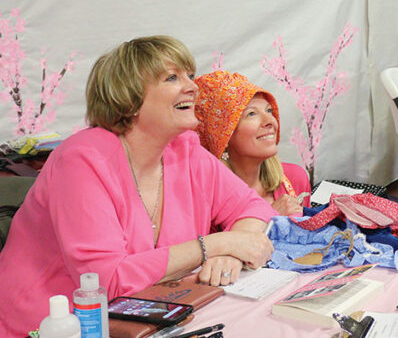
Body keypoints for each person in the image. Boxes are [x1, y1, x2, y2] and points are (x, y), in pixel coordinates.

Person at [0, 36, 276, 337]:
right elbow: (107, 281)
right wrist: (216, 245)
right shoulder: (82, 159)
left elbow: (250, 206)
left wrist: (232, 252)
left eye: (190, 75)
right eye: (172, 77)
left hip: (146, 319)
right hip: (50, 326)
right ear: (128, 99)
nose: (192, 87)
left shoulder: (183, 148)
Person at [194, 71, 311, 217]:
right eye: (251, 114)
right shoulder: (207, 200)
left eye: (269, 110)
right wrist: (270, 216)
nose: (270, 121)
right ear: (223, 136)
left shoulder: (296, 178)